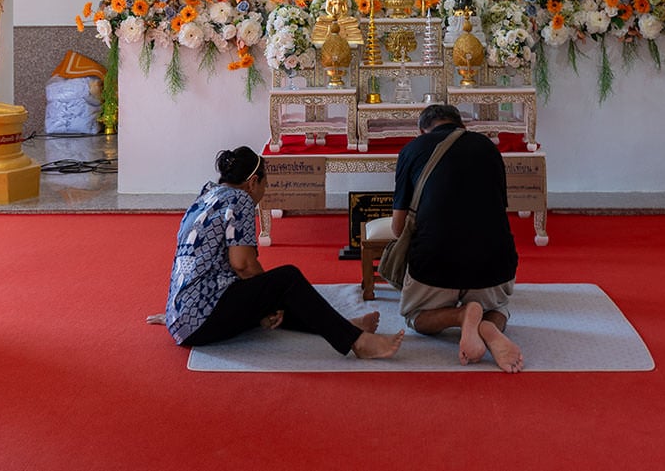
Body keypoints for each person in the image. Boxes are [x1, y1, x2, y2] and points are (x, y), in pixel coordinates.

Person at [159, 146, 404, 359]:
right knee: (287, 280)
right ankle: (357, 342)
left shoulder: (206, 196)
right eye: (265, 184)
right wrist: (266, 302)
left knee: (276, 295)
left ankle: (343, 326)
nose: (264, 190)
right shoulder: (240, 199)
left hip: (181, 317)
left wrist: (264, 305)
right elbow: (243, 265)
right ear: (253, 181)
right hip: (202, 320)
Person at [392, 104, 523, 372]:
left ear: (421, 130)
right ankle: (488, 325)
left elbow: (398, 227)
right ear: (463, 126)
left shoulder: (412, 150)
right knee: (500, 308)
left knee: (415, 318)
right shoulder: (488, 148)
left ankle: (462, 315)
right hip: (495, 259)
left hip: (435, 260)